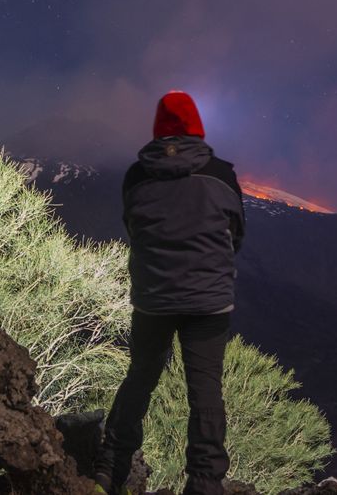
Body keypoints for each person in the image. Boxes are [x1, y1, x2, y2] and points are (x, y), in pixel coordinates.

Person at [93, 91, 246, 495]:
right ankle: (204, 482)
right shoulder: (221, 174)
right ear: (198, 126)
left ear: (158, 128)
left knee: (140, 377)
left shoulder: (136, 176)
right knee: (206, 389)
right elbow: (236, 234)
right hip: (209, 302)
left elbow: (134, 228)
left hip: (154, 299)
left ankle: (109, 470)